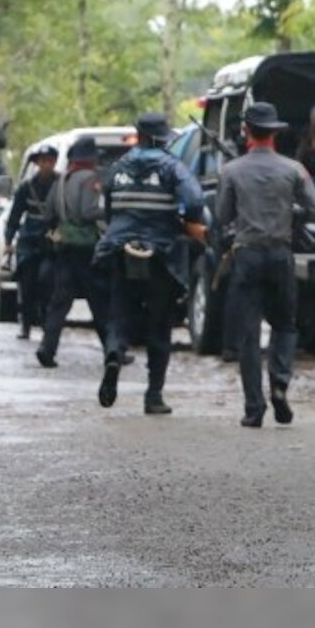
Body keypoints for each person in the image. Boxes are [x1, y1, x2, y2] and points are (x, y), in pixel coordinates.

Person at [217, 102, 315, 428]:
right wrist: (290, 211)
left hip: (247, 255)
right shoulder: (294, 170)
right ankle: (279, 382)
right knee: (285, 325)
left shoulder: (231, 171)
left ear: (246, 132)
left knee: (249, 333)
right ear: (275, 133)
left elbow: (222, 217)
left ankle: (254, 408)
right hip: (281, 255)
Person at [94, 112, 204, 414]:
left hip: (119, 249)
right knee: (160, 324)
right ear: (160, 138)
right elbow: (194, 202)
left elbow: (108, 210)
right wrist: (186, 222)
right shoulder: (173, 167)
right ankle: (153, 395)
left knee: (118, 312)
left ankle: (114, 353)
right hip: (161, 254)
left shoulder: (117, 168)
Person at [35, 136, 110, 369]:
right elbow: (88, 212)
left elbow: (48, 215)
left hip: (64, 247)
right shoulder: (91, 179)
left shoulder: (61, 180)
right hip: (86, 248)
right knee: (99, 301)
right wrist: (108, 212)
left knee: (59, 302)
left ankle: (47, 348)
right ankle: (113, 351)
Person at [5, 144, 59, 341]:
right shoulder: (27, 187)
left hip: (50, 241)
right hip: (29, 241)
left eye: (50, 161)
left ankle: (46, 323)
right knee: (26, 286)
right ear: (37, 163)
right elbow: (14, 216)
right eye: (43, 161)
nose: (47, 165)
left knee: (47, 283)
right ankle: (26, 324)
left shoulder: (60, 184)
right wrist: (9, 241)